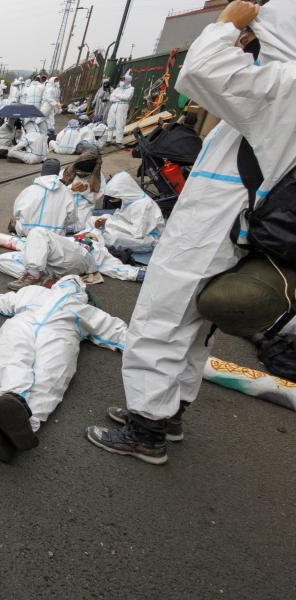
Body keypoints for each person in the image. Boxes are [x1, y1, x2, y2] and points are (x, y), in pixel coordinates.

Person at [88, 1, 296, 464]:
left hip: (214, 224)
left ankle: (146, 429)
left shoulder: (284, 86)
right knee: (193, 324)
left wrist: (225, 26)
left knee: (161, 318)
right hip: (231, 220)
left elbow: (200, 70)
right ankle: (168, 412)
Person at [0, 275, 127, 463]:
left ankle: (9, 426)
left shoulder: (84, 309)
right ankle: (18, 416)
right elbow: (118, 332)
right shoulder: (39, 294)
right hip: (39, 328)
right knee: (29, 366)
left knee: (40, 371)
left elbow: (118, 332)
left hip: (52, 330)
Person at [0, 228, 145, 290]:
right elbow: (36, 245)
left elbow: (118, 269)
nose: (89, 233)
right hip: (52, 264)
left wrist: (142, 275)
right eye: (87, 232)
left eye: (92, 234)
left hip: (79, 258)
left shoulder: (100, 250)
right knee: (1, 260)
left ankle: (33, 274)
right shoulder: (69, 239)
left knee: (38, 231)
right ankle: (42, 277)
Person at [91, 171, 165, 252]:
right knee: (99, 218)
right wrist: (107, 221)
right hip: (132, 227)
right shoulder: (129, 199)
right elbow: (120, 217)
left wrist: (108, 223)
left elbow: (138, 233)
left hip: (147, 238)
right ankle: (96, 234)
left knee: (114, 237)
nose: (112, 199)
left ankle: (97, 237)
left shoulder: (144, 206)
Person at [10, 158, 81, 236]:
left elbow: (16, 213)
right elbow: (72, 219)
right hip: (54, 235)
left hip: (27, 233)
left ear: (42, 172)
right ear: (57, 173)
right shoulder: (66, 193)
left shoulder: (29, 190)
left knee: (14, 221)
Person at [60, 150, 105, 226]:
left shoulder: (98, 177)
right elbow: (57, 193)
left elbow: (98, 196)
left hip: (84, 211)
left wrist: (86, 192)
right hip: (66, 208)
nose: (80, 175)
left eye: (84, 174)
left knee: (83, 225)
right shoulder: (66, 172)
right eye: (78, 173)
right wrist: (70, 189)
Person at [105, 74, 134, 145]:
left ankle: (119, 141)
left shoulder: (131, 89)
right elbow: (111, 98)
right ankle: (108, 139)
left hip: (122, 107)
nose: (121, 81)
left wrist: (117, 96)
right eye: (121, 80)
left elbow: (127, 97)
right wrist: (119, 98)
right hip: (114, 106)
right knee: (110, 122)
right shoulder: (118, 88)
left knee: (120, 123)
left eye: (123, 80)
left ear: (127, 80)